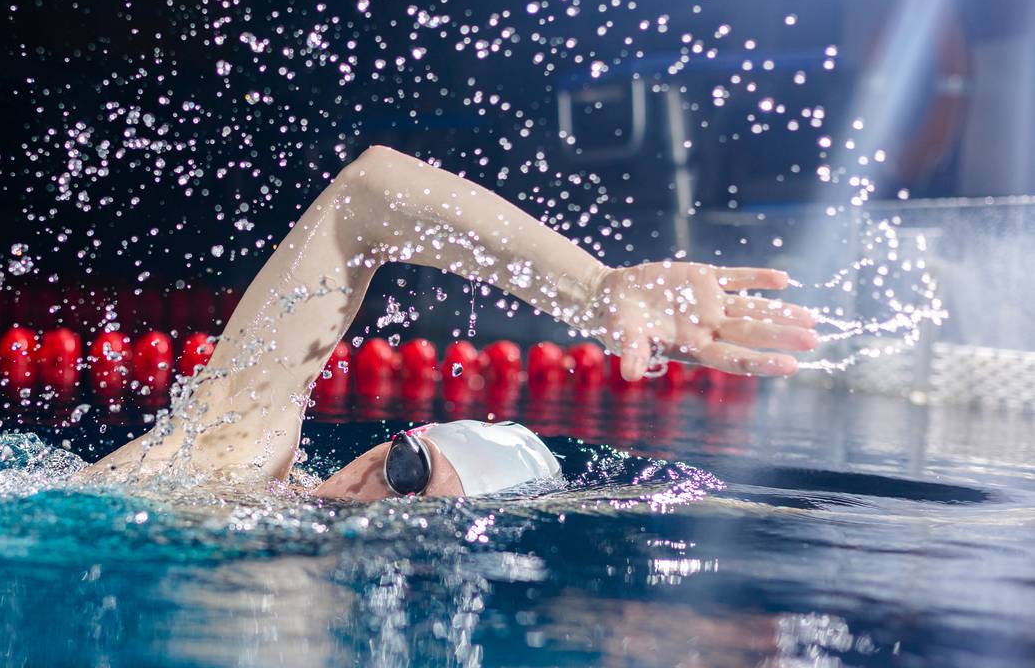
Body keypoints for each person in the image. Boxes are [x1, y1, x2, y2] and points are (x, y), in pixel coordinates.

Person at [82, 145, 818, 499]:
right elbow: (365, 196)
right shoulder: (230, 454)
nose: (386, 506)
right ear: (390, 445)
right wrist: (594, 291)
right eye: (408, 470)